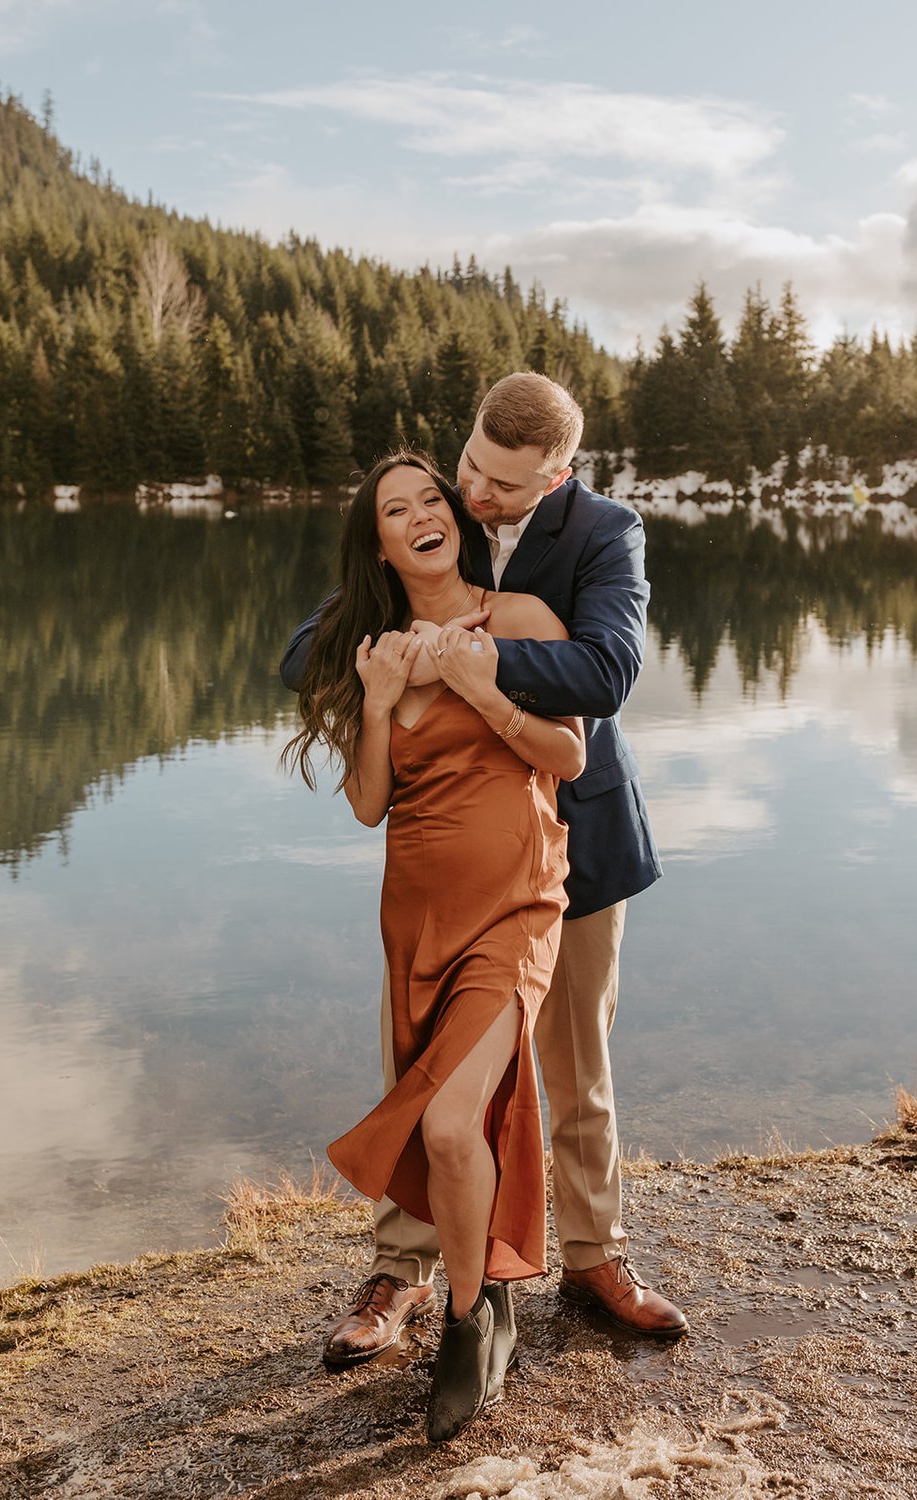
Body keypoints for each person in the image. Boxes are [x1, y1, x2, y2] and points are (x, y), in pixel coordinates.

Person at [280, 372, 688, 1369]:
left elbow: (606, 672)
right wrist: (399, 654)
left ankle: (593, 1259)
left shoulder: (605, 535)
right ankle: (402, 1270)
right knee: (423, 1067)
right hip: (444, 861)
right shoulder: (436, 509)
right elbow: (308, 652)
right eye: (470, 466)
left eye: (502, 484)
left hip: (574, 840)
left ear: (558, 473)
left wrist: (472, 658)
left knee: (576, 1066)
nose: (476, 495)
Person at [284, 450, 586, 1442]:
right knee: (443, 1130)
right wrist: (376, 698)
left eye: (430, 499)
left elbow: (567, 754)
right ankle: (479, 1301)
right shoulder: (375, 647)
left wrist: (481, 683)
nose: (419, 515)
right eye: (393, 509)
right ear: (377, 542)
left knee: (453, 1126)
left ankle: (467, 1325)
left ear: (455, 515)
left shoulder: (522, 621)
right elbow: (372, 803)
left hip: (514, 905)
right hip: (417, 919)